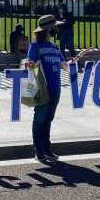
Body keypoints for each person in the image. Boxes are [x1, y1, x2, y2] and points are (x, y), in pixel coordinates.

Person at [26, 14, 71, 164]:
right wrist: (31, 63)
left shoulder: (55, 47)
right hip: (42, 89)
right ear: (47, 29)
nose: (56, 30)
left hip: (55, 87)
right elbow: (30, 63)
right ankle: (39, 151)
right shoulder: (36, 46)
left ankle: (47, 149)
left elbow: (64, 66)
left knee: (48, 119)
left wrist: (68, 61)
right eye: (54, 27)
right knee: (40, 119)